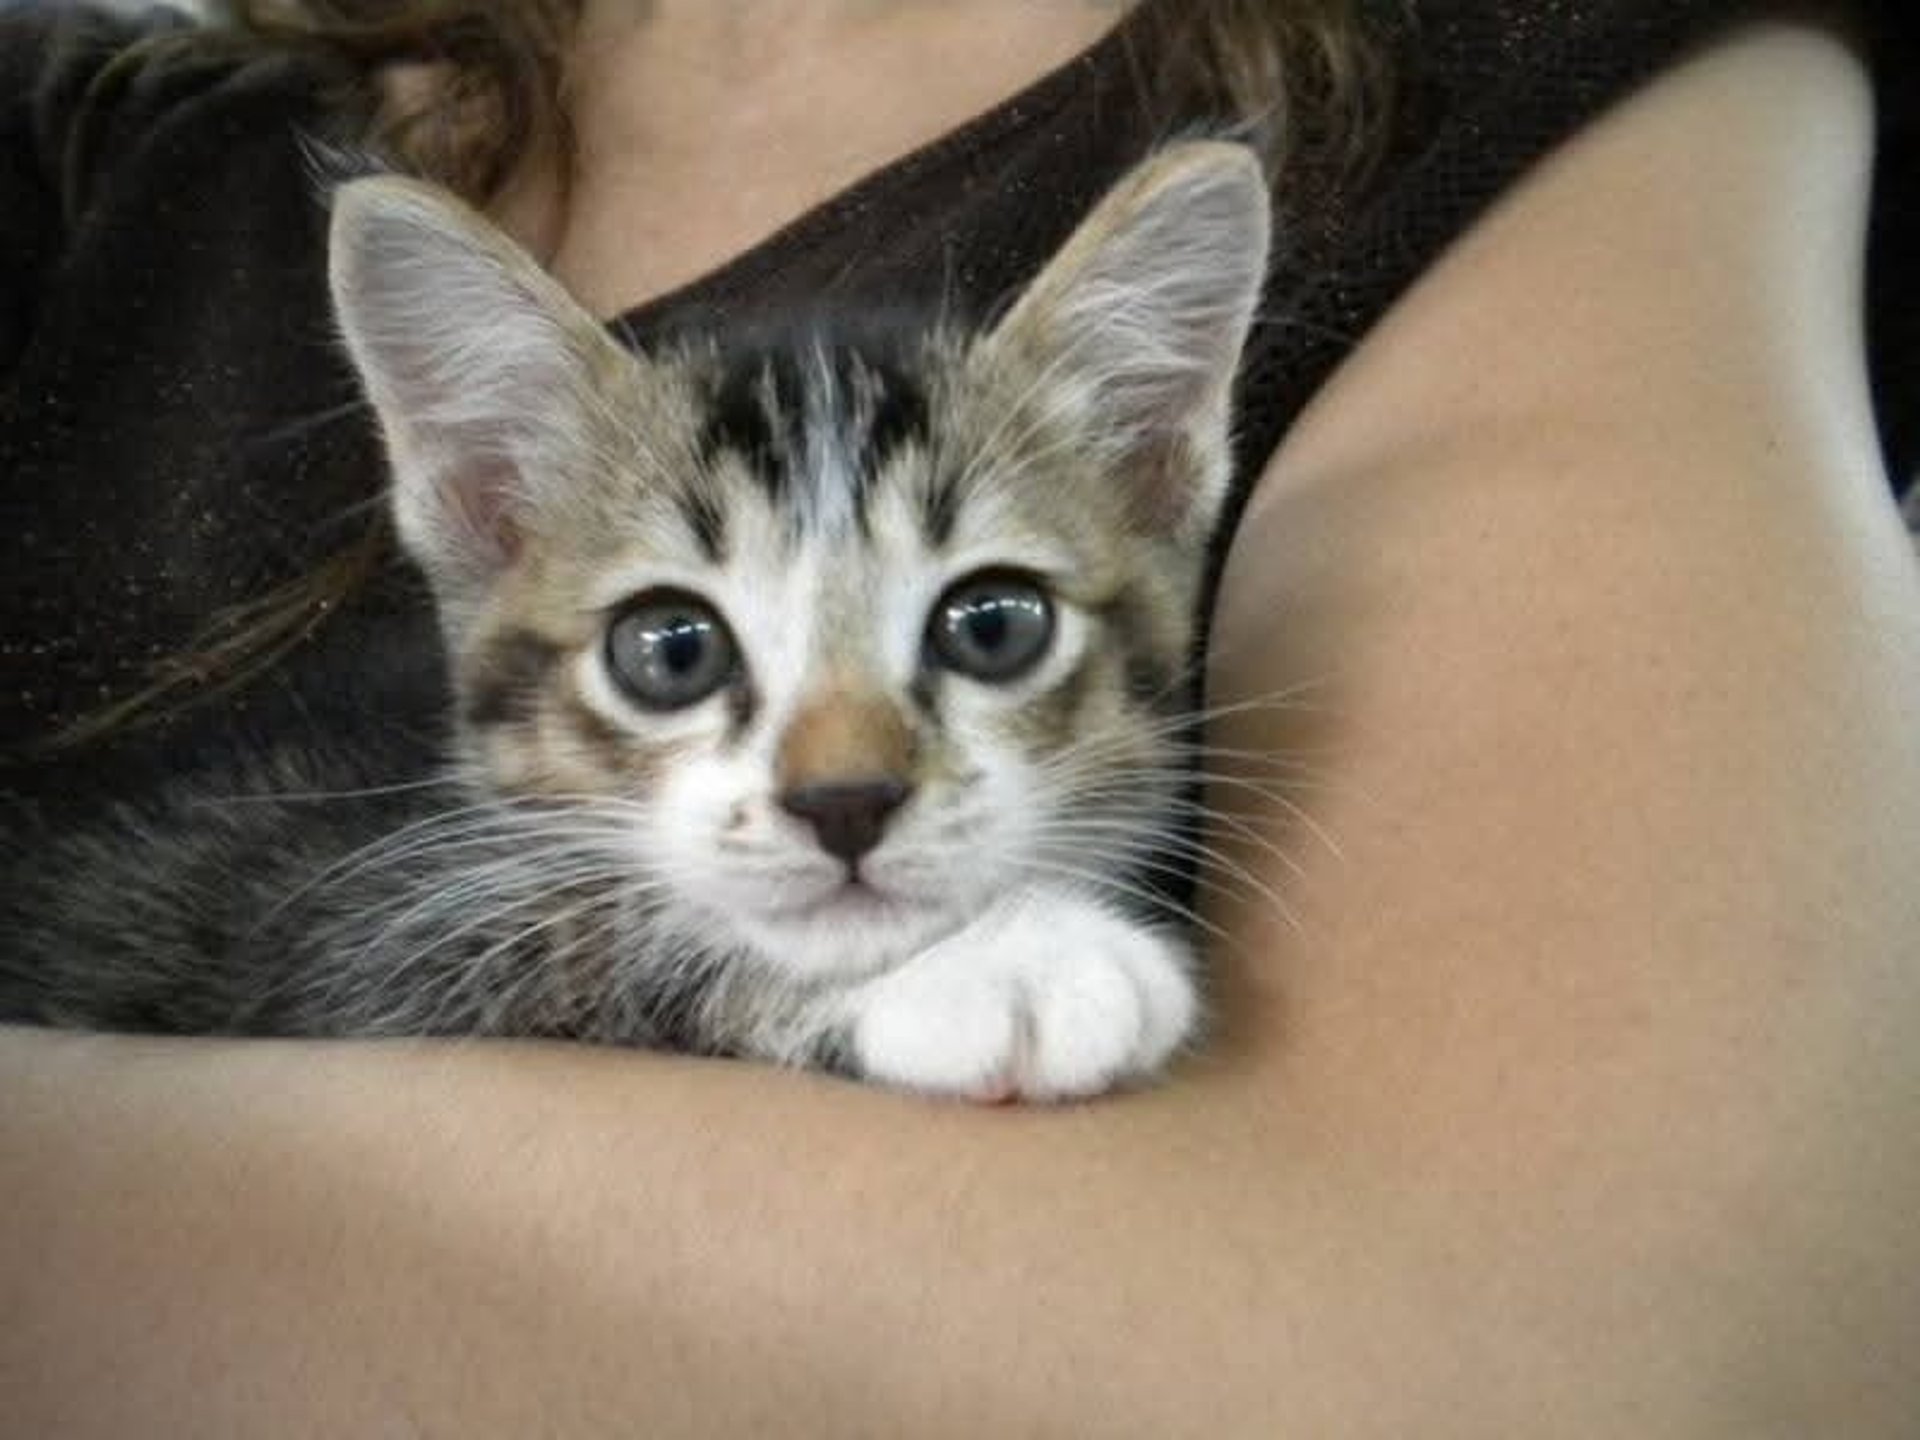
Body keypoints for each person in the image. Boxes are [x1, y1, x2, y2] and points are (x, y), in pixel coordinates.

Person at [3, 0, 1917, 1431]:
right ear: (483, 512)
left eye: (987, 624)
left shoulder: (1569, 81)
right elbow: (402, 959)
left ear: (1164, 478)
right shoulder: (96, 129)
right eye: (678, 654)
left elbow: (1643, 1374)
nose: (846, 773)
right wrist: (780, 990)